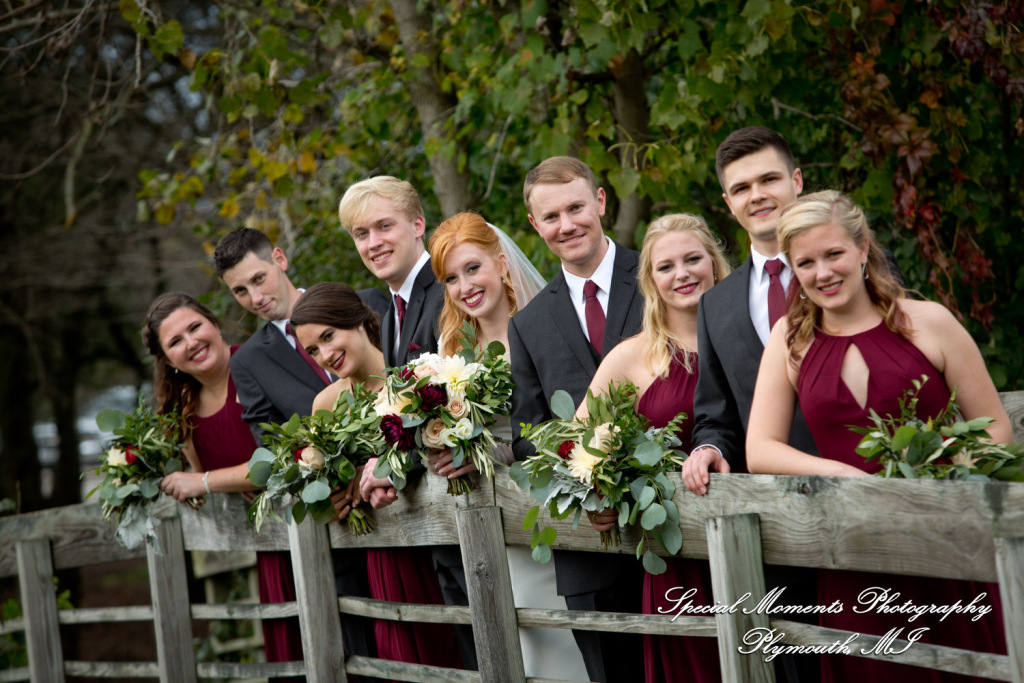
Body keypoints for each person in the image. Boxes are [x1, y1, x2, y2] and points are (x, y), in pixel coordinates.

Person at [746, 190, 1008, 682]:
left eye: (834, 254)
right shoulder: (789, 340)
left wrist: (940, 478)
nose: (822, 273)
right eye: (806, 262)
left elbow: (995, 425)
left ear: (863, 248)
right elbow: (760, 449)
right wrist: (843, 476)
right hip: (852, 552)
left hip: (943, 542)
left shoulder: (928, 323)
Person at [427, 212, 589, 680]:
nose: (464, 287)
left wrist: (496, 454)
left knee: (564, 644)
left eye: (472, 268)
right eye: (451, 278)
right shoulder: (452, 347)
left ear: (501, 263)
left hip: (549, 509)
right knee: (517, 647)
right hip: (487, 522)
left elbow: (562, 424)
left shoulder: (544, 326)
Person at [508, 156, 645, 683]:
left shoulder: (657, 276)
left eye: (576, 208)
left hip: (678, 535)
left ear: (601, 201)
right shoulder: (529, 323)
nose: (566, 225)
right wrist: (581, 484)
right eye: (551, 217)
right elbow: (526, 438)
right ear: (535, 226)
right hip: (590, 547)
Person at [213, 227, 377, 664]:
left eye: (258, 278)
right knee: (369, 641)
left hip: (408, 483)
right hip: (344, 515)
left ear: (280, 259)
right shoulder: (248, 361)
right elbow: (271, 445)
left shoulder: (359, 301)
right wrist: (325, 482)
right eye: (240, 291)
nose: (254, 296)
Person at [581, 214, 730, 683]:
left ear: (714, 262)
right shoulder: (633, 356)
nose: (682, 274)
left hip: (761, 535)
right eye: (666, 266)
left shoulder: (747, 339)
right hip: (676, 552)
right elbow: (577, 445)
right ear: (650, 280)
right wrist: (601, 491)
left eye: (692, 259)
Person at [337, 176, 477, 670]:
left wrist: (391, 466)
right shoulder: (388, 309)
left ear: (418, 225)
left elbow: (462, 403)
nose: (373, 242)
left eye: (384, 226)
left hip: (472, 505)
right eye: (360, 234)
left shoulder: (446, 290)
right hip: (440, 520)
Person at [288, 282, 463, 673]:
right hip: (383, 557)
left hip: (439, 542)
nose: (326, 354)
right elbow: (329, 500)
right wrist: (335, 502)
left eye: (329, 336)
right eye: (313, 350)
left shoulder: (408, 380)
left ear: (358, 320)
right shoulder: (326, 405)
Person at [142, 292, 303, 682]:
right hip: (269, 549)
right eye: (175, 342)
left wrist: (208, 482)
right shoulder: (182, 412)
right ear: (165, 360)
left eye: (195, 327)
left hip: (313, 524)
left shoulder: (259, 364)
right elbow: (199, 483)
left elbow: (286, 455)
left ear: (214, 323)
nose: (191, 343)